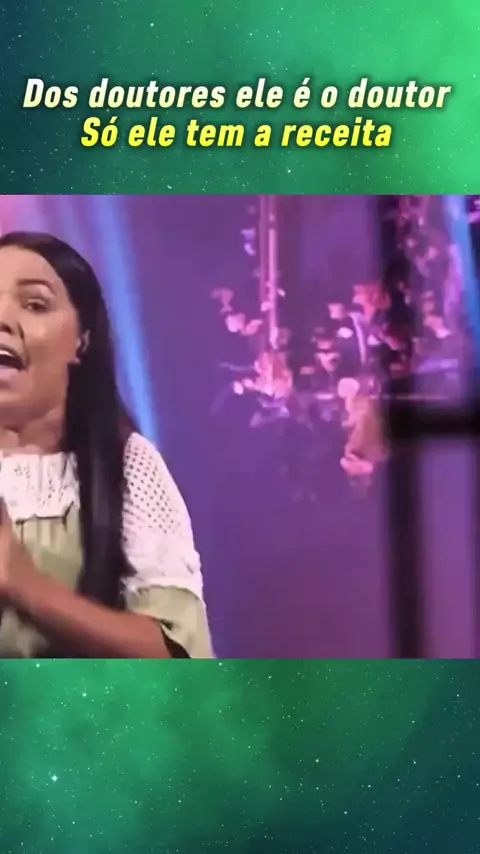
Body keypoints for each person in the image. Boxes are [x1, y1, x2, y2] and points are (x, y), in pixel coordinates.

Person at [0, 231, 213, 658]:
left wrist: (24, 585)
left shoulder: (124, 466)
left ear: (82, 340)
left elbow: (175, 654)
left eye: (35, 304)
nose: (2, 318)